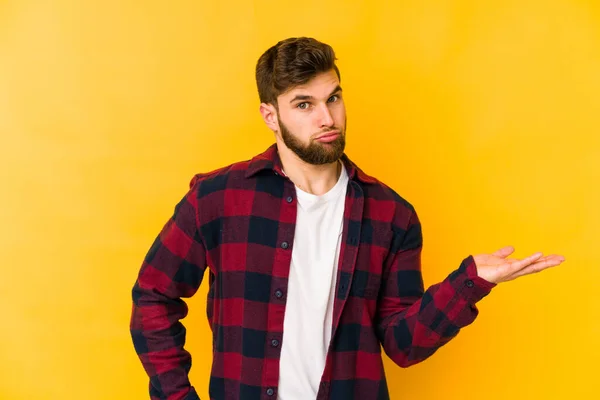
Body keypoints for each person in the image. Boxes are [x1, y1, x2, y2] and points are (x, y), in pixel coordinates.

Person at [129, 37, 565, 400]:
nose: (326, 118)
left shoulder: (392, 215)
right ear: (271, 116)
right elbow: (153, 298)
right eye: (304, 105)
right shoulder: (219, 198)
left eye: (332, 97)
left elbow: (402, 344)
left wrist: (470, 281)